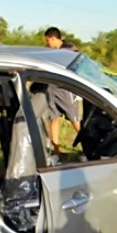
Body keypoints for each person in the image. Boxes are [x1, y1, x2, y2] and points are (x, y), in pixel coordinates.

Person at [44, 27, 80, 155]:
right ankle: (56, 150)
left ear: (53, 38)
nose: (47, 44)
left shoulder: (69, 49)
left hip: (66, 89)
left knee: (74, 119)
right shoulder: (53, 52)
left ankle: (89, 149)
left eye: (48, 41)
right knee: (54, 118)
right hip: (53, 89)